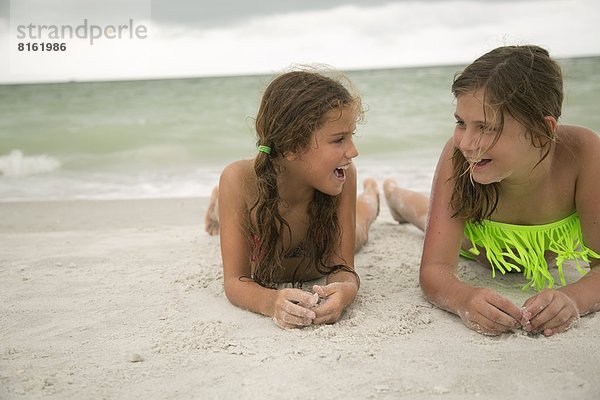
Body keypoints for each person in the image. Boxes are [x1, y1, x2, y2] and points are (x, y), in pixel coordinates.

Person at [384, 45, 600, 336]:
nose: (467, 142)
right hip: (476, 246)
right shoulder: (458, 154)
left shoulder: (584, 152)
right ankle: (393, 193)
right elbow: (434, 270)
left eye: (485, 127)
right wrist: (463, 297)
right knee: (422, 214)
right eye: (461, 123)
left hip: (549, 249)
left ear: (541, 131)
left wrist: (573, 298)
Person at [204, 67, 380, 329]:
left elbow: (344, 269)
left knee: (361, 226)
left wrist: (346, 290)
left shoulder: (344, 176)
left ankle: (373, 193)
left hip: (325, 239)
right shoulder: (238, 181)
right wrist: (271, 301)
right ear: (292, 148)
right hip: (248, 194)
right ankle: (218, 202)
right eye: (339, 139)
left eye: (351, 136)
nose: (353, 151)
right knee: (227, 209)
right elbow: (235, 282)